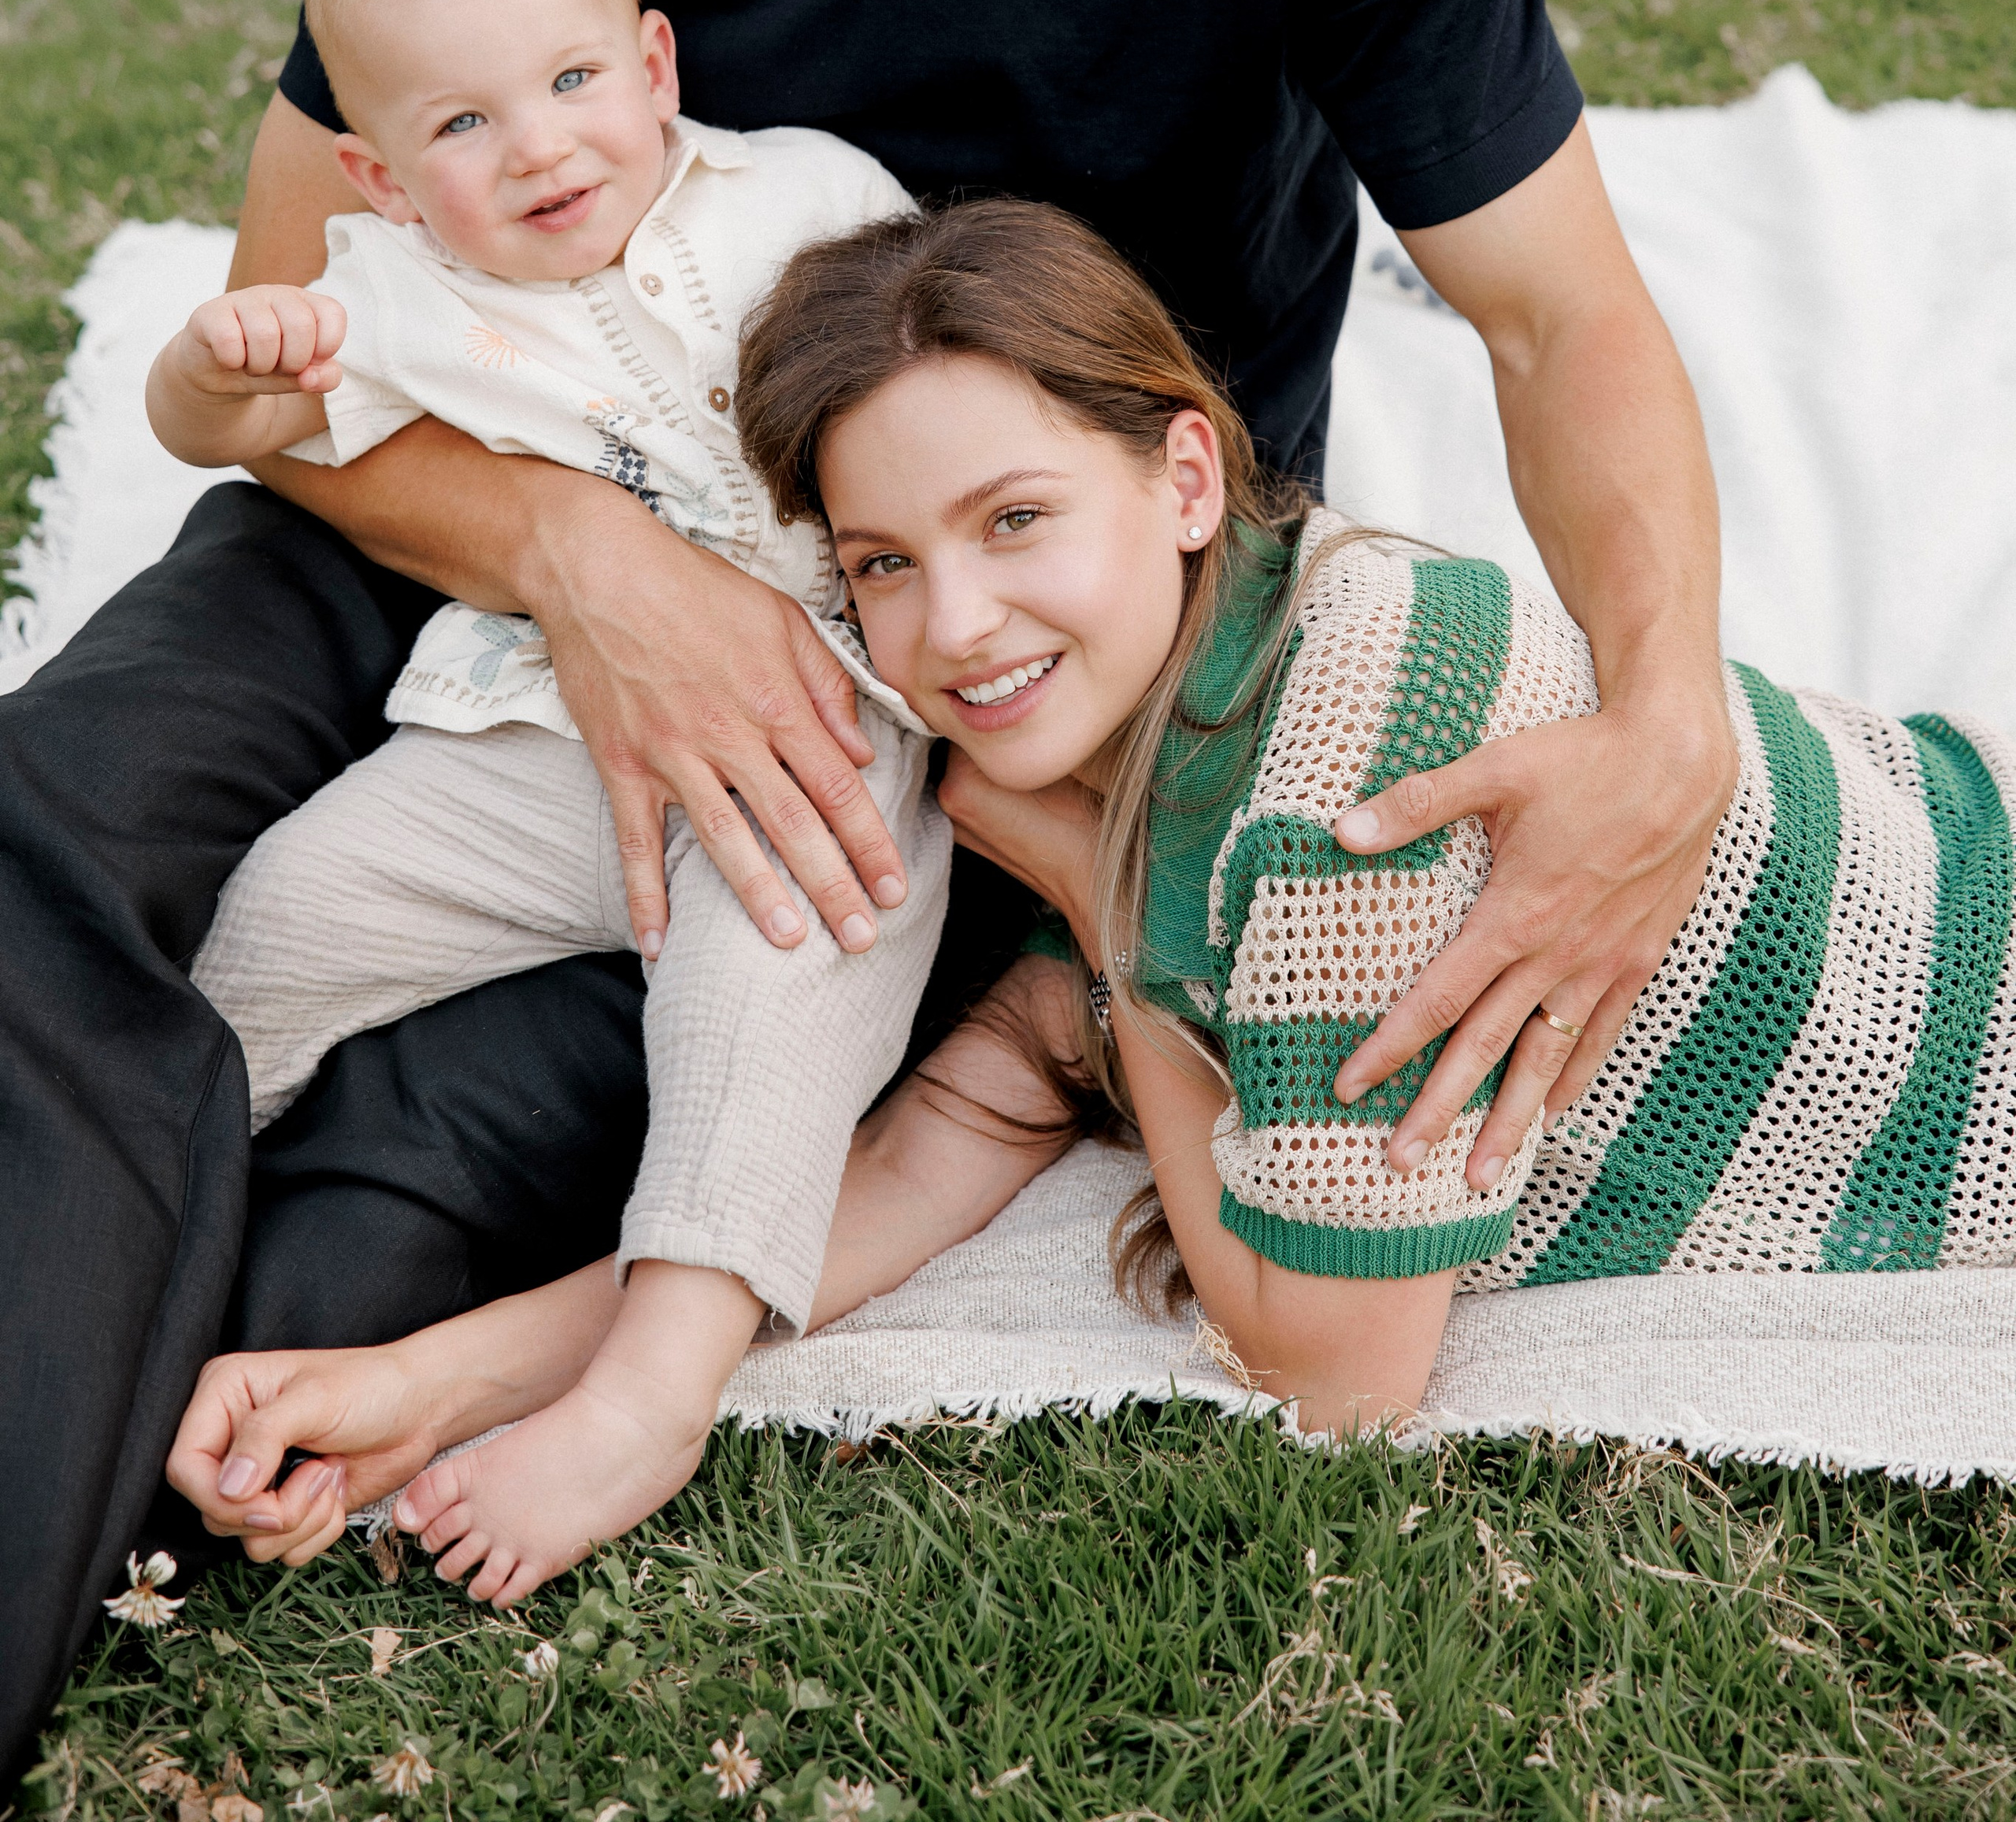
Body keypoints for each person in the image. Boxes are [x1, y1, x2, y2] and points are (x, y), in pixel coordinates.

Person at [1, 0, 1730, 1759]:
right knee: (53, 816)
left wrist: (1655, 724)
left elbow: (1562, 308)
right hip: (485, 481)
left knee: (418, 1164)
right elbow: (299, 325)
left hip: (961, 647)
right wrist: (573, 560)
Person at [169, 198, 2013, 1587]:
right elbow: (894, 1176)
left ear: (1186, 475)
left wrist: (1103, 923)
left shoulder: (1336, 778)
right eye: (882, 562)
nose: (952, 628)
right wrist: (428, 1383)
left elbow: (1337, 1372)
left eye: (1016, 519)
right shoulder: (1142, 749)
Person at [147, 0, 951, 1572]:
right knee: (276, 919)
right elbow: (235, 440)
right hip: (536, 745)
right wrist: (216, 371)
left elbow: (938, 384)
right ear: (376, 172)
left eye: (577, 80)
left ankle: (646, 1398)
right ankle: (138, 1199)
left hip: (830, 741)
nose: (540, 148)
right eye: (462, 126)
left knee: (780, 999)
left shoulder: (805, 195)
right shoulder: (387, 294)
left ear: (654, 64)